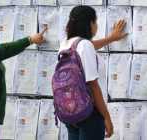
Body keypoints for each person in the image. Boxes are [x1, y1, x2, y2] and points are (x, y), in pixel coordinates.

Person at [58, 5, 128, 140]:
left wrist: (111, 38)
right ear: (90, 23)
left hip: (71, 108)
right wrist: (107, 117)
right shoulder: (85, 46)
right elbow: (93, 85)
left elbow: (87, 46)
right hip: (90, 112)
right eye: (96, 22)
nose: (97, 26)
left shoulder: (66, 43)